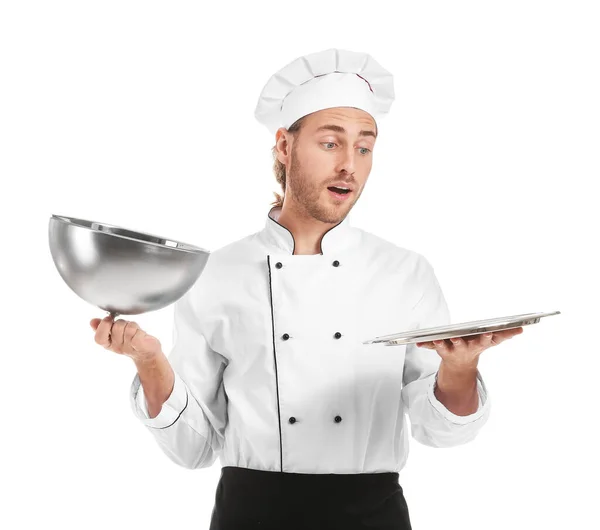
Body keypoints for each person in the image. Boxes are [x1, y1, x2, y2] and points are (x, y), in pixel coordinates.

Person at [90, 48, 523, 530]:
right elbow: (194, 448)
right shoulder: (216, 273)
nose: (350, 166)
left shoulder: (405, 272)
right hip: (249, 514)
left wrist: (459, 369)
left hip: (371, 515)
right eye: (331, 143)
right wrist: (150, 362)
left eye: (364, 147)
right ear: (284, 146)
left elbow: (439, 431)